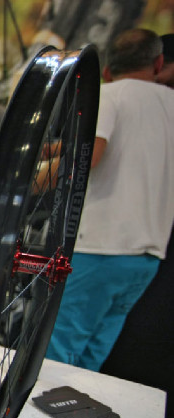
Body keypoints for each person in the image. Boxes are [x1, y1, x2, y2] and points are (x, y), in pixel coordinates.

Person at [45, 29, 174, 371]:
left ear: (106, 69)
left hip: (101, 245)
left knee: (59, 351)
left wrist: (31, 181)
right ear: (158, 62)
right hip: (148, 254)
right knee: (93, 355)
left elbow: (87, 157)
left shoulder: (110, 95)